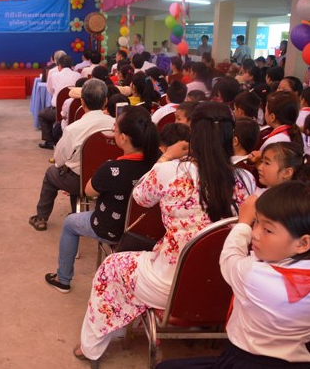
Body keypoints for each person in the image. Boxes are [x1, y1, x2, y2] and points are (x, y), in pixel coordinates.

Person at [75, 102, 254, 365]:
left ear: (193, 136)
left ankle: (89, 348)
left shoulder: (168, 171)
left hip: (171, 284)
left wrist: (166, 157)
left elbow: (140, 198)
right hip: (226, 283)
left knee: (111, 266)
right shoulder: (246, 179)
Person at [157, 181, 310, 369]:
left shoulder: (255, 274)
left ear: (303, 243)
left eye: (267, 230)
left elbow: (230, 257)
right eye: (256, 223)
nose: (255, 234)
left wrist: (243, 224)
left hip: (247, 361)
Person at [44, 106, 160, 292]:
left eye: (115, 130)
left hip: (113, 228)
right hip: (149, 231)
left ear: (122, 138)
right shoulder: (161, 163)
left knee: (69, 223)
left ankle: (63, 279)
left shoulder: (112, 168)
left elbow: (89, 192)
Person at [29, 79, 114, 231]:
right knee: (76, 169)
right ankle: (77, 213)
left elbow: (59, 159)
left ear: (82, 101)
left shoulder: (73, 129)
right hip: (112, 181)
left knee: (52, 173)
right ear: (105, 101)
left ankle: (41, 218)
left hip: (80, 183)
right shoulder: (116, 125)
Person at [39, 55, 82, 149]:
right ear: (72, 66)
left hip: (57, 111)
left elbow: (50, 90)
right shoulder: (78, 75)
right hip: (74, 110)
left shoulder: (53, 75)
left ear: (59, 66)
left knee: (42, 115)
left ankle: (49, 141)